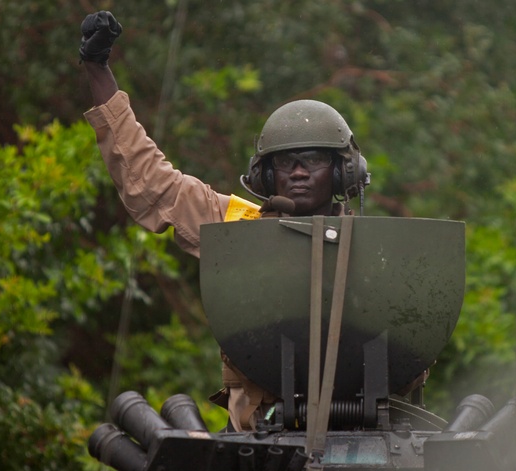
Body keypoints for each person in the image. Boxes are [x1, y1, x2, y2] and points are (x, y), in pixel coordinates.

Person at [79, 10, 371, 431]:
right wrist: (98, 70)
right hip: (257, 431)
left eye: (314, 160)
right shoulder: (239, 224)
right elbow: (153, 182)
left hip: (359, 431)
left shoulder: (372, 246)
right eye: (286, 162)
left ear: (344, 173)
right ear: (266, 175)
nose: (300, 172)